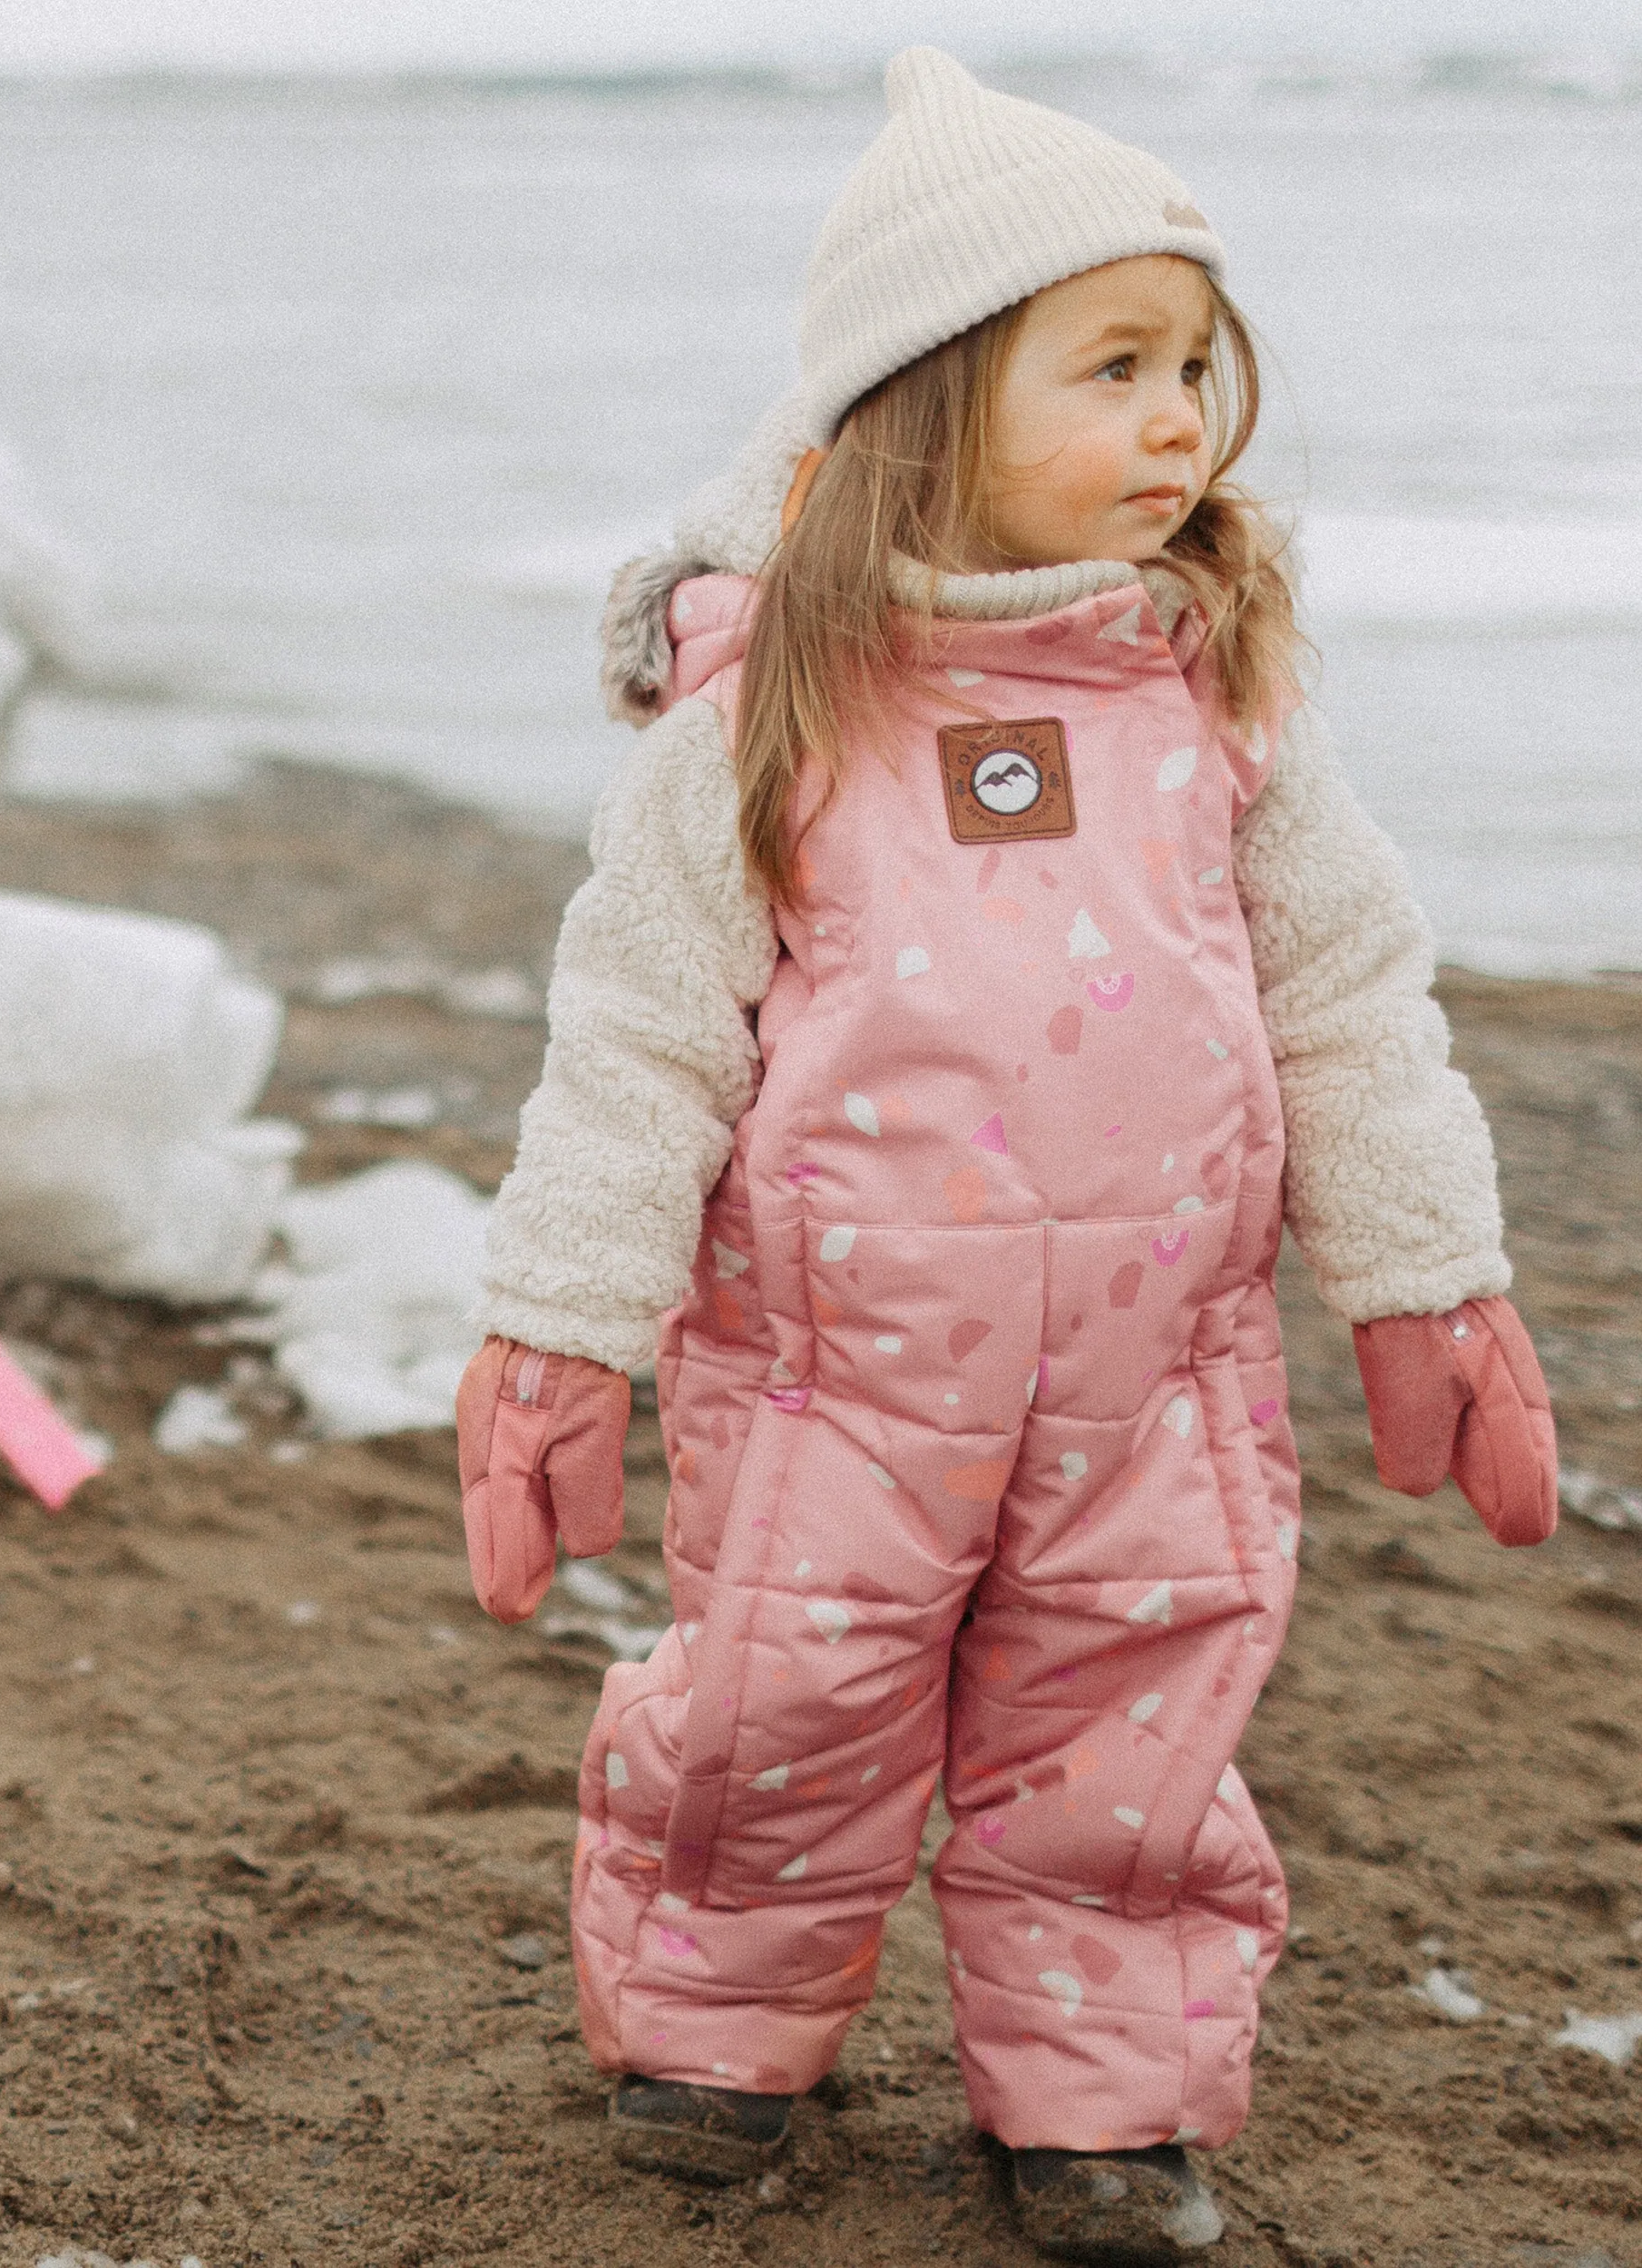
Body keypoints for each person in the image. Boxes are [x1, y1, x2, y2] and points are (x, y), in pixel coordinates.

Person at [454, 48, 1559, 2265]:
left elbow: (1346, 995)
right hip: (829, 1375)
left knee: (1126, 1735)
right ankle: (710, 2027)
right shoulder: (764, 712)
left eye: (1193, 373)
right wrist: (560, 1325)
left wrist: (1424, 1270)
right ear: (930, 403)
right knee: (780, 1707)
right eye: (1118, 370)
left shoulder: (1211, 700)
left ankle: (1098, 2098)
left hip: (1155, 1375)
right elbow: (636, 1036)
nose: (1180, 424)